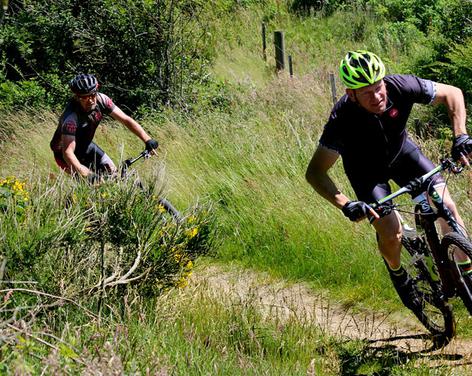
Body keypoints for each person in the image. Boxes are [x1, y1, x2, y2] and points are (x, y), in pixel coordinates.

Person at [305, 50, 472, 310]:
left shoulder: (400, 86)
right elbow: (315, 172)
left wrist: (460, 135)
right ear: (351, 94)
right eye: (367, 93)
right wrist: (346, 204)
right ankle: (398, 273)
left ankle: (467, 276)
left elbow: (453, 93)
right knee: (392, 233)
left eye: (378, 87)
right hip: (367, 173)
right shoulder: (342, 120)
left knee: (447, 208)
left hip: (403, 154)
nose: (378, 96)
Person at [50, 73, 158, 182]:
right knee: (92, 184)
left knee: (114, 175)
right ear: (77, 97)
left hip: (86, 146)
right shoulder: (71, 118)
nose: (91, 100)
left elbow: (126, 120)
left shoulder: (102, 100)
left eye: (93, 95)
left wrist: (147, 139)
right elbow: (67, 153)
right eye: (85, 97)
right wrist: (87, 174)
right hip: (64, 157)